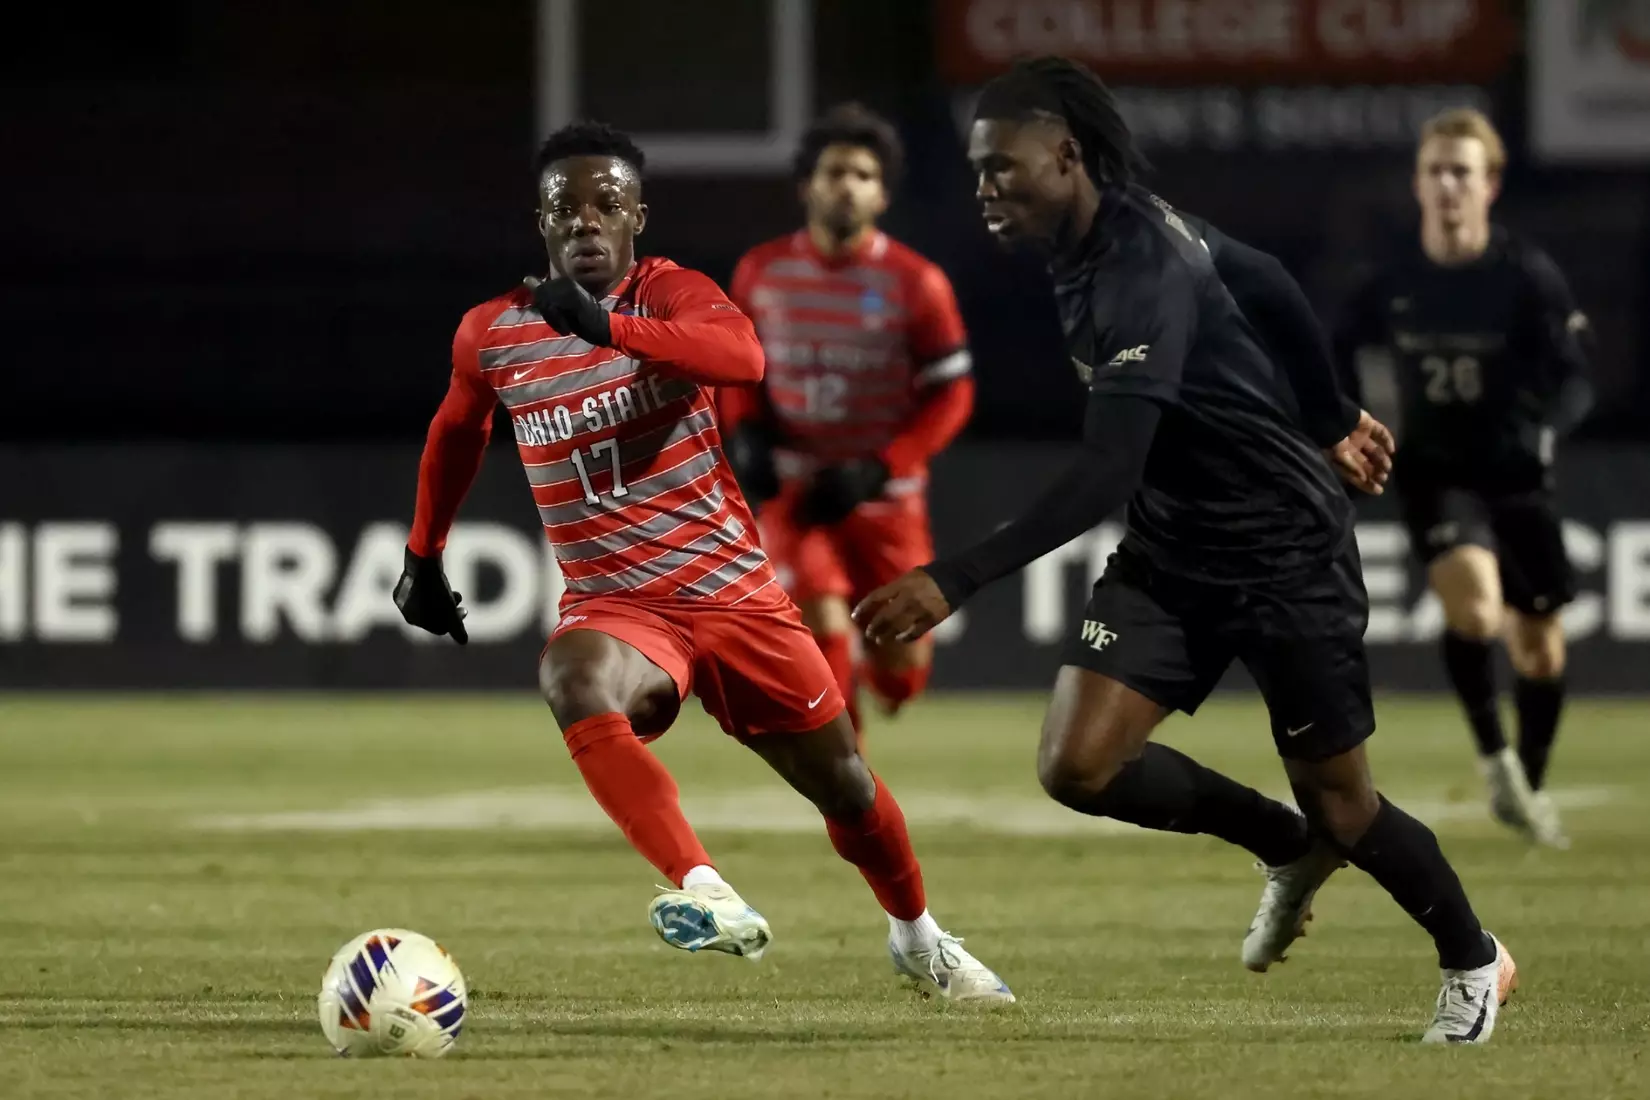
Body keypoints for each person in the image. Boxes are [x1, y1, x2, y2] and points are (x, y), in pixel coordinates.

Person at [854, 57, 1516, 1043]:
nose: (987, 188)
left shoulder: (1135, 266)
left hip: (1281, 548)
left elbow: (1108, 467)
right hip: (1175, 544)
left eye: (1005, 168)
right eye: (978, 170)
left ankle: (1475, 958)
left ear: (1067, 158)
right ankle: (1281, 843)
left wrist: (954, 576)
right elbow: (1271, 281)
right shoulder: (1112, 228)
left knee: (1348, 807)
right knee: (1078, 764)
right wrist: (1332, 411)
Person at [392, 120, 1011, 1003]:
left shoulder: (673, 293)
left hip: (732, 594)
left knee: (849, 791)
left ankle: (919, 936)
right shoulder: (494, 333)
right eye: (566, 207)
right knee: (571, 677)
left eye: (608, 204)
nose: (587, 222)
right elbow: (456, 429)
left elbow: (743, 358)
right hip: (620, 606)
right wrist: (423, 553)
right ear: (541, 222)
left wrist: (606, 327)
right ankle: (702, 888)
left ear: (638, 215)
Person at [1335, 108, 1592, 849]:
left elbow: (1576, 378)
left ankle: (1529, 784)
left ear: (1491, 184)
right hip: (1435, 475)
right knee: (1478, 611)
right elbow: (1328, 357)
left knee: (1540, 647)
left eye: (1463, 172)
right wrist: (1344, 421)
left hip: (1515, 475)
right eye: (1436, 171)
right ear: (1418, 184)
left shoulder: (1526, 276)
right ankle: (1494, 760)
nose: (1449, 185)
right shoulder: (1389, 283)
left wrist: (1543, 428)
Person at [719, 103, 975, 737]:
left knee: (900, 669)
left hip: (885, 493)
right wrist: (744, 433)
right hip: (798, 489)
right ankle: (846, 777)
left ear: (882, 193)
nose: (846, 185)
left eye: (862, 174)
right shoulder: (761, 272)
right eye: (833, 172)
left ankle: (887, 679)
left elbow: (952, 395)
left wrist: (882, 467)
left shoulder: (918, 283)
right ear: (807, 185)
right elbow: (735, 374)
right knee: (819, 622)